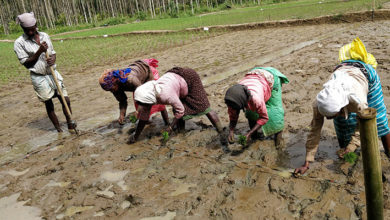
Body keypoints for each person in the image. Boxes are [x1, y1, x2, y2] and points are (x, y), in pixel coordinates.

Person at [294, 37, 390, 175]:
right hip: (342, 72)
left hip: (365, 76)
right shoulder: (320, 102)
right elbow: (314, 131)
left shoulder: (358, 101)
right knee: (342, 125)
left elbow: (361, 123)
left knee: (379, 119)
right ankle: (345, 153)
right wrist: (307, 162)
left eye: (332, 115)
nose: (328, 119)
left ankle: (388, 151)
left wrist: (353, 145)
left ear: (341, 107)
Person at [132, 67, 226, 147]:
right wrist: (135, 137)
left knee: (204, 106)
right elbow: (143, 118)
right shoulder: (148, 96)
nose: (142, 106)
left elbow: (180, 111)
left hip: (189, 78)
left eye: (142, 104)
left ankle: (221, 131)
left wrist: (170, 127)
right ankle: (182, 132)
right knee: (176, 108)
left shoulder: (165, 95)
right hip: (173, 80)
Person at [13, 12, 74, 132]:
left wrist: (53, 59)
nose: (30, 32)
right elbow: (27, 64)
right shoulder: (19, 43)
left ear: (36, 25)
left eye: (32, 29)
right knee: (49, 103)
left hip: (52, 73)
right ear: (22, 28)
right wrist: (39, 51)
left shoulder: (45, 36)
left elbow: (53, 52)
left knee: (65, 99)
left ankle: (71, 124)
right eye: (27, 30)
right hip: (39, 76)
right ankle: (59, 130)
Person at [224, 67, 289, 145]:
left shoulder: (255, 99)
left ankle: (278, 142)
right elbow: (233, 115)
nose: (233, 109)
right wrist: (231, 131)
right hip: (255, 76)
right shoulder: (233, 99)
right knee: (250, 114)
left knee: (275, 113)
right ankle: (255, 138)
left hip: (271, 79)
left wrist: (249, 133)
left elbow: (264, 118)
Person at [99, 58, 168, 125]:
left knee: (157, 99)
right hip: (138, 80)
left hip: (147, 72)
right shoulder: (114, 87)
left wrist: (137, 112)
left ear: (115, 82)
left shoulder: (131, 80)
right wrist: (122, 115)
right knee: (138, 104)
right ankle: (146, 121)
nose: (112, 91)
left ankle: (167, 123)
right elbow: (122, 101)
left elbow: (143, 96)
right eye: (110, 90)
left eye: (111, 89)